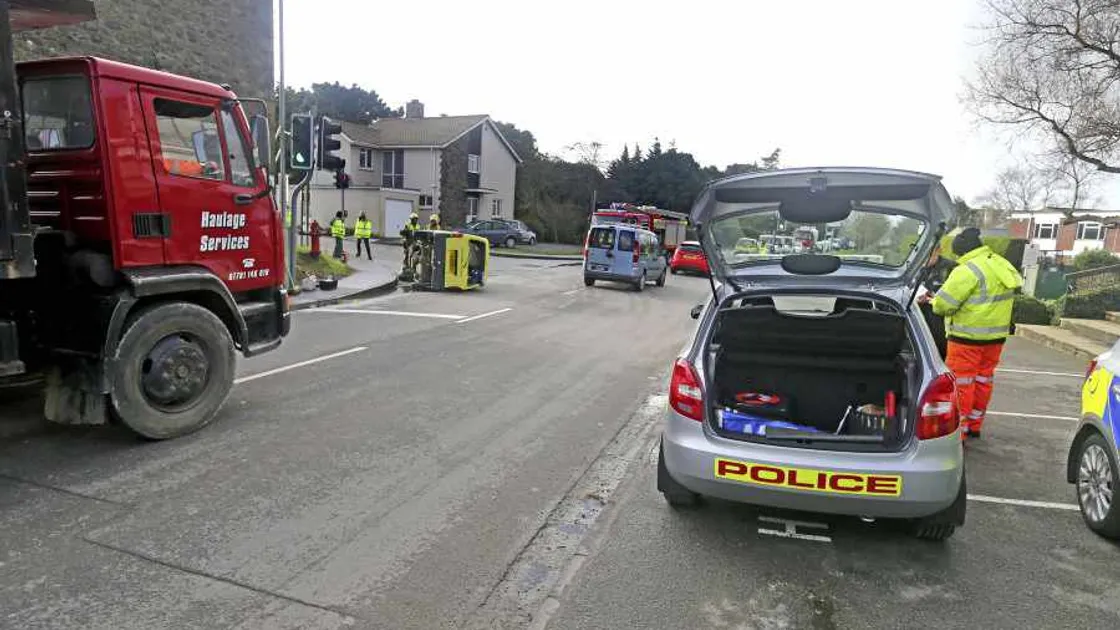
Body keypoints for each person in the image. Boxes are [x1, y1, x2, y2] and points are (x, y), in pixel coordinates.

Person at [920, 227, 1022, 439]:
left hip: (966, 339)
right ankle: (975, 424)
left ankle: (960, 431)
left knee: (962, 384)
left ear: (961, 251)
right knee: (984, 381)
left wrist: (933, 299)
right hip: (995, 338)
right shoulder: (999, 263)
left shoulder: (966, 270)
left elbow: (943, 306)